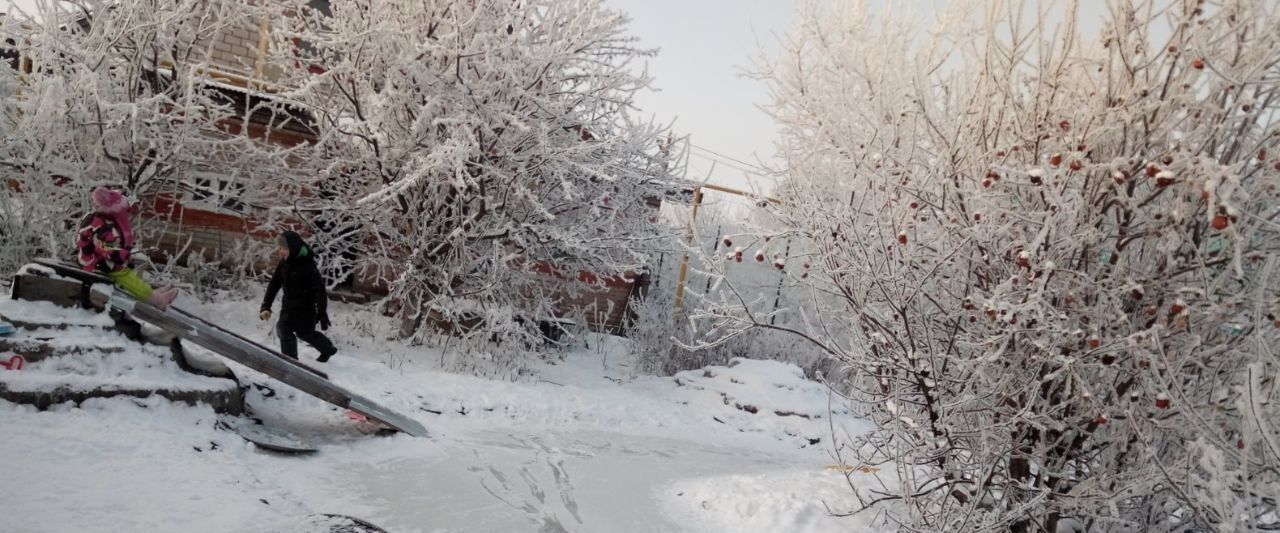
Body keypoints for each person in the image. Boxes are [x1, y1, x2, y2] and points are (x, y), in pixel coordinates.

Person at [76, 187, 178, 309]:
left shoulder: (104, 220)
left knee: (126, 271)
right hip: (93, 261)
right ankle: (156, 300)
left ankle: (150, 292)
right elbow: (103, 247)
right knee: (123, 274)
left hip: (96, 257)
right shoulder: (105, 228)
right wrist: (121, 255)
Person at [260, 231, 337, 362]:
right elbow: (274, 285)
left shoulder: (308, 266)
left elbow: (319, 291)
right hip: (288, 307)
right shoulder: (284, 264)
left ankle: (328, 349)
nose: (281, 251)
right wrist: (266, 306)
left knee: (305, 334)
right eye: (280, 248)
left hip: (305, 310)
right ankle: (290, 361)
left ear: (294, 248)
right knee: (283, 329)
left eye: (285, 248)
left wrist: (322, 312)